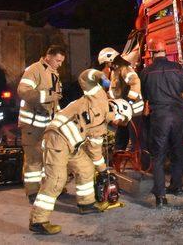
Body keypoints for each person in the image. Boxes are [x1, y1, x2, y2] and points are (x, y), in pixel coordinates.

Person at [29, 69, 131, 235]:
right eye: (121, 120)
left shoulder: (101, 127)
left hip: (71, 145)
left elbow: (95, 152)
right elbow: (85, 77)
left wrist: (103, 170)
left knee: (86, 168)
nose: (119, 124)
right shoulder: (99, 97)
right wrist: (100, 76)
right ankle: (38, 221)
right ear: (119, 110)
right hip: (57, 138)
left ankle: (87, 204)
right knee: (56, 181)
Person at [140, 38, 183, 208]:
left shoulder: (146, 72)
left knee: (158, 156)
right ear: (166, 51)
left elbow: (145, 95)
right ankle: (176, 187)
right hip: (177, 116)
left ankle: (161, 196)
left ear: (151, 52)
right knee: (177, 151)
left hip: (160, 117)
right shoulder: (178, 68)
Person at [17, 45, 65, 202]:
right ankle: (32, 192)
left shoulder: (52, 72)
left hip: (47, 124)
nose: (60, 64)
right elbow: (23, 91)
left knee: (48, 157)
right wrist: (47, 96)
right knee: (33, 160)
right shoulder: (34, 69)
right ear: (49, 56)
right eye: (57, 60)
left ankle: (47, 187)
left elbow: (54, 101)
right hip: (32, 125)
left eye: (61, 61)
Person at [98, 47, 144, 150]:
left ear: (111, 60)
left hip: (133, 111)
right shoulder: (115, 70)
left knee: (136, 141)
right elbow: (115, 90)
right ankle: (119, 159)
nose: (106, 65)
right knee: (120, 139)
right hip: (124, 111)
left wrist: (129, 101)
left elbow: (135, 83)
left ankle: (141, 164)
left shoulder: (125, 69)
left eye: (106, 63)